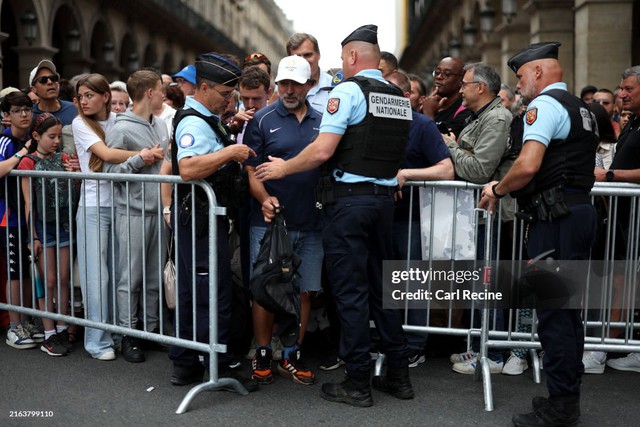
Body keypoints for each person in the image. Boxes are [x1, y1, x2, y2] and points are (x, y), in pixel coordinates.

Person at [255, 24, 414, 407]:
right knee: (383, 292)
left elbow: (323, 151)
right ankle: (399, 376)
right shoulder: (398, 97)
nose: (341, 65)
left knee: (351, 294)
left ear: (353, 57)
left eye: (343, 58)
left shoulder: (347, 91)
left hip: (350, 204)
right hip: (382, 203)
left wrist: (283, 168)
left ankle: (358, 382)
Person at [479, 41, 598, 426]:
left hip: (556, 219)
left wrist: (497, 189)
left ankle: (562, 407)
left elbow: (528, 166)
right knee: (566, 312)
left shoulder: (543, 107)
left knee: (555, 315)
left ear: (539, 73)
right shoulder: (583, 109)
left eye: (521, 77)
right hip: (576, 213)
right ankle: (563, 397)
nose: (519, 86)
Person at [168, 52, 257, 391]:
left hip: (203, 219)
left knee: (196, 292)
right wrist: (231, 152)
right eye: (224, 93)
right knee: (209, 293)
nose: (229, 100)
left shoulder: (206, 116)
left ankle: (187, 362)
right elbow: (189, 168)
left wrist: (228, 131)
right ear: (204, 88)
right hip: (200, 221)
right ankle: (213, 365)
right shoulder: (192, 121)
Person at [244, 55, 323, 386]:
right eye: (283, 83)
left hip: (314, 222)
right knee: (265, 290)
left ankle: (294, 354)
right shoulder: (261, 120)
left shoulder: (325, 121)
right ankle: (263, 353)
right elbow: (250, 170)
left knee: (305, 291)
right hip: (270, 223)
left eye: (296, 83)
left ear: (309, 85)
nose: (289, 90)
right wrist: (265, 199)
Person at [73, 73, 161, 361]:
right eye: (80, 96)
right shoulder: (79, 123)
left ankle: (122, 332)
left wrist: (149, 153)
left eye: (89, 95)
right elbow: (108, 154)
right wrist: (145, 154)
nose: (83, 101)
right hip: (94, 206)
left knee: (122, 276)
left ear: (105, 97)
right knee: (98, 277)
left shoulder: (117, 120)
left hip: (121, 205)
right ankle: (98, 341)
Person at [445, 62, 512, 375]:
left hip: (490, 212)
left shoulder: (497, 118)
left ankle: (493, 354)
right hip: (477, 213)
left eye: (465, 84)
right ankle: (478, 348)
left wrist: (451, 147)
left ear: (481, 88)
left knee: (488, 283)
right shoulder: (483, 116)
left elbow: (478, 170)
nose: (461, 89)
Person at [386, 70, 454, 367]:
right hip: (380, 216)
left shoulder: (423, 125)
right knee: (384, 279)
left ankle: (414, 343)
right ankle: (388, 339)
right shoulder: (372, 125)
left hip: (413, 219)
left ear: (404, 98)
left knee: (413, 281)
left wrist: (406, 175)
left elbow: (446, 169)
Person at [103, 69, 169, 363]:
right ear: (149, 93)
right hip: (131, 213)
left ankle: (151, 331)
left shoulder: (161, 126)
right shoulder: (120, 129)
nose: (165, 93)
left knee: (154, 275)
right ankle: (129, 335)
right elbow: (109, 173)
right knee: (130, 277)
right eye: (161, 88)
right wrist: (138, 159)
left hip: (158, 212)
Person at [18, 113, 78, 356]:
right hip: (42, 226)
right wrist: (33, 237)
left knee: (64, 279)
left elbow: (76, 188)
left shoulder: (64, 158)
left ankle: (63, 327)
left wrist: (74, 174)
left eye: (58, 136)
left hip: (63, 223)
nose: (56, 141)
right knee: (48, 280)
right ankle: (49, 332)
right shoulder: (28, 163)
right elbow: (28, 203)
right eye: (51, 137)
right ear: (36, 136)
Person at [593, 66, 640, 374]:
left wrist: (609, 175)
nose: (622, 94)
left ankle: (601, 351)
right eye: (621, 88)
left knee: (626, 282)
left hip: (637, 219)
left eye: (628, 89)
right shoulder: (633, 122)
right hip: (625, 217)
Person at [1, 92, 39, 350]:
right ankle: (14, 327)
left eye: (27, 109)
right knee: (14, 272)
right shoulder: (6, 141)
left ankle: (25, 320)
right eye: (17, 110)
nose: (24, 114)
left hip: (27, 215)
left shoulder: (33, 137)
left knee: (25, 271)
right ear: (7, 115)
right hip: (8, 217)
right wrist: (23, 152)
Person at [422, 57, 473, 138]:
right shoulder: (427, 105)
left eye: (447, 74)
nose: (439, 77)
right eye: (437, 72)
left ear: (461, 80)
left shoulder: (466, 112)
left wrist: (428, 113)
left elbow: (441, 145)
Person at [286, 33, 334, 113]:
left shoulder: (334, 88)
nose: (303, 61)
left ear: (318, 55)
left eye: (308, 55)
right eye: (297, 57)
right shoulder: (281, 90)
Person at [29, 60, 77, 125]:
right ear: (34, 89)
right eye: (43, 80)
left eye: (53, 78)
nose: (50, 82)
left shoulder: (74, 109)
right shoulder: (29, 115)